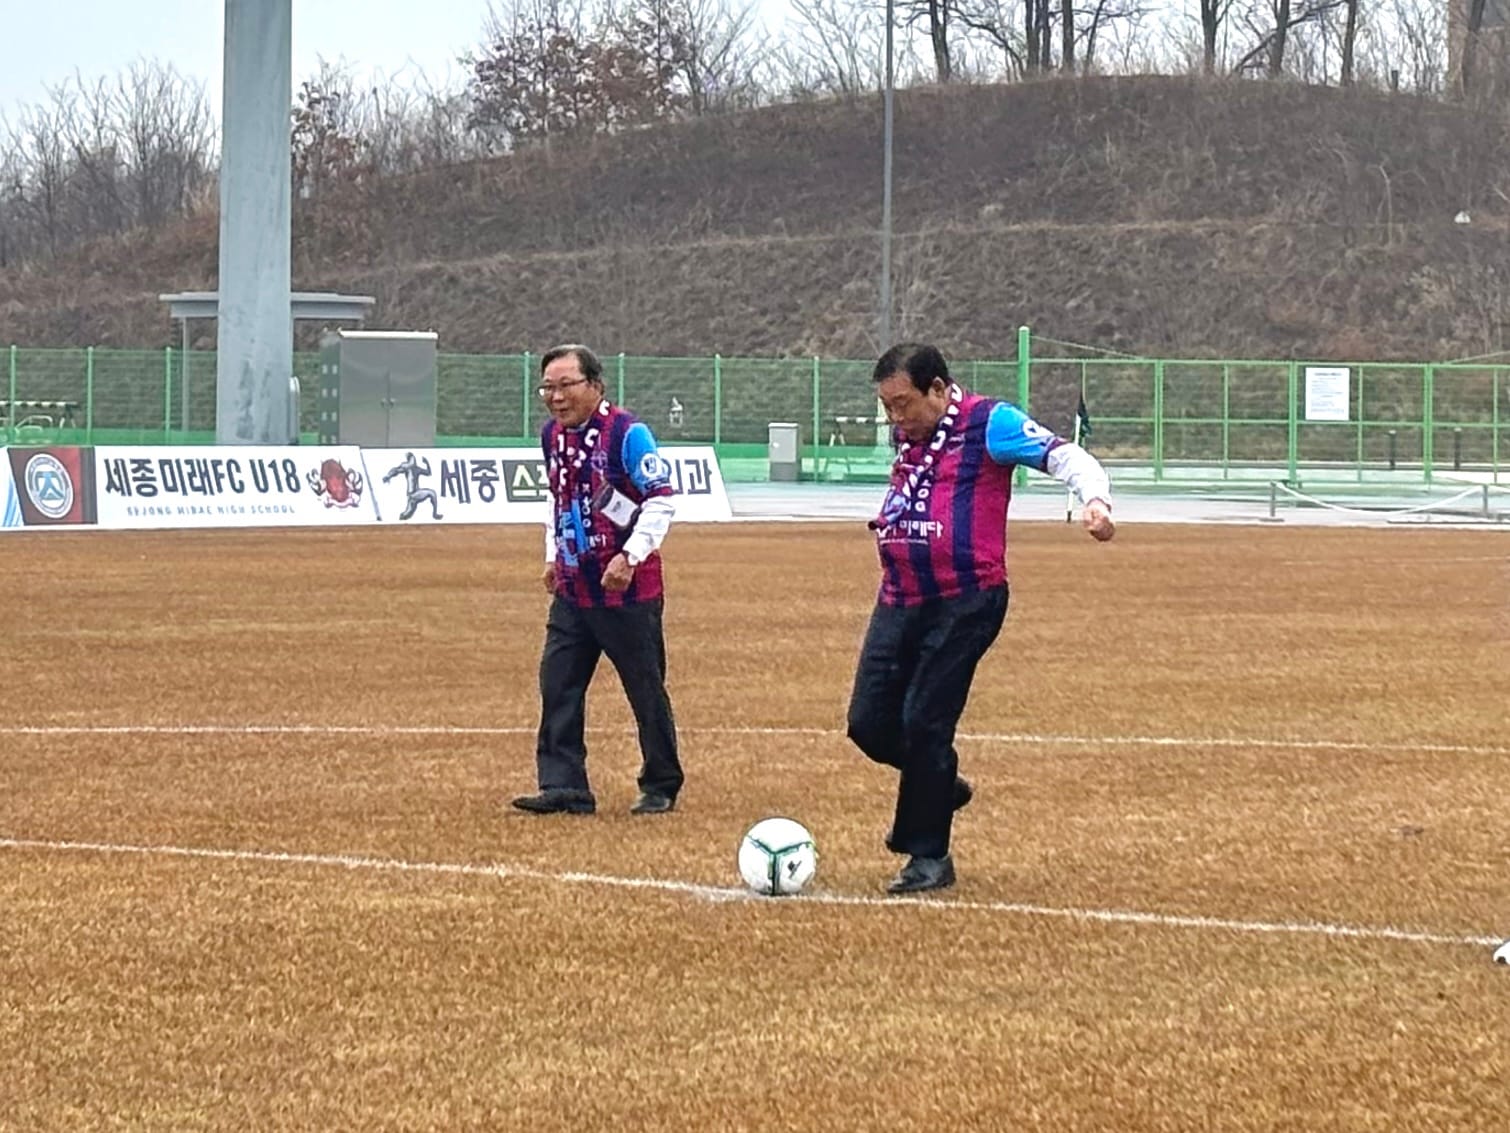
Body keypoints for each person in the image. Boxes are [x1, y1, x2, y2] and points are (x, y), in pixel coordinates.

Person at [847, 342, 1115, 894]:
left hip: (966, 600)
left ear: (940, 390)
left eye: (903, 404)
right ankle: (938, 783)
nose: (896, 419)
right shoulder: (912, 436)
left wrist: (1095, 500)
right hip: (900, 595)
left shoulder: (991, 423)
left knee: (925, 721)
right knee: (868, 724)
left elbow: (1067, 455)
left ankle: (928, 858)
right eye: (887, 407)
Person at [512, 344, 685, 817]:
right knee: (558, 682)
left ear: (595, 386)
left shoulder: (628, 435)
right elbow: (558, 500)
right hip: (573, 588)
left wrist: (629, 557)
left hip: (626, 591)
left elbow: (661, 500)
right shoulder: (552, 437)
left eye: (566, 385)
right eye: (547, 387)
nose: (555, 397)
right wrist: (552, 555)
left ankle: (660, 782)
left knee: (644, 687)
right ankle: (564, 786)